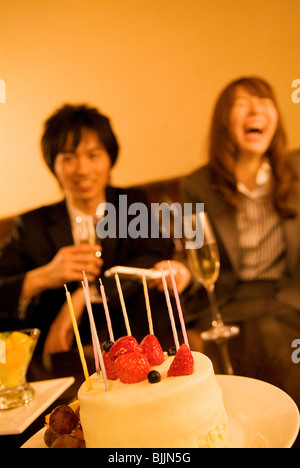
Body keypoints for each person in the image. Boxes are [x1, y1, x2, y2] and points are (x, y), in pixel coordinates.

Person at [0, 104, 190, 353]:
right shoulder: (32, 225)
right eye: (68, 158)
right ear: (53, 165)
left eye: (93, 155)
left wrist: (82, 297)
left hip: (137, 341)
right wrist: (46, 275)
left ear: (110, 158)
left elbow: (154, 257)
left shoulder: (132, 204)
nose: (82, 169)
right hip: (68, 353)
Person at [182, 76, 300, 330]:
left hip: (289, 297)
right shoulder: (197, 185)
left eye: (265, 101)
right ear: (224, 121)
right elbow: (195, 256)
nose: (256, 109)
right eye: (242, 102)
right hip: (228, 303)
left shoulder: (297, 171)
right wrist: (181, 274)